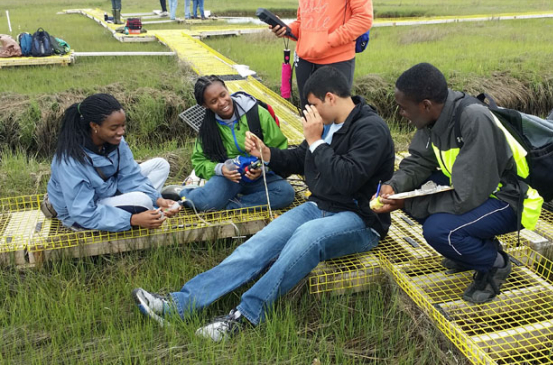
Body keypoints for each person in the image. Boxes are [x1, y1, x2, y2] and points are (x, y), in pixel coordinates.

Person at [133, 66, 395, 341]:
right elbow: (298, 160)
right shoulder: (329, 124)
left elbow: (346, 179)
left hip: (360, 219)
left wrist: (316, 141)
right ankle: (180, 304)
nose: (311, 113)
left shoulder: (370, 129)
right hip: (318, 206)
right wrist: (267, 153)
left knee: (307, 237)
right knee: (257, 246)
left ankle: (244, 315)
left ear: (330, 98)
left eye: (313, 105)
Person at [373, 63, 543, 304]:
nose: (402, 114)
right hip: (478, 190)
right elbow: (419, 162)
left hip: (509, 198)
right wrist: (396, 187)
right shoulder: (432, 121)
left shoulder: (473, 119)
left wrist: (405, 204)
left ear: (425, 105)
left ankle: (495, 264)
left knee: (439, 230)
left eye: (403, 108)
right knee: (417, 195)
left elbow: (466, 196)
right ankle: (469, 250)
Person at [46, 93, 181, 232]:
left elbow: (130, 176)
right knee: (143, 201)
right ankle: (142, 211)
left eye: (123, 125)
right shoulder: (70, 161)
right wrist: (132, 220)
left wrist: (158, 200)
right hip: (81, 214)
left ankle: (147, 209)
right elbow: (83, 212)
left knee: (160, 165)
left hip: (106, 191)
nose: (121, 132)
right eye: (114, 127)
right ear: (94, 126)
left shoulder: (115, 142)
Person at [161, 75, 295, 212]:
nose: (222, 102)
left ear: (227, 89)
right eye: (213, 101)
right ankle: (185, 193)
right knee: (205, 203)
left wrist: (263, 169)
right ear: (205, 105)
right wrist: (221, 169)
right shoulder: (208, 128)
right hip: (229, 179)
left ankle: (230, 205)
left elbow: (280, 149)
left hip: (260, 177)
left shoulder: (257, 113)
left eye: (223, 95)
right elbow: (199, 162)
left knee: (285, 193)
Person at [269, 0, 373, 111]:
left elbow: (363, 18)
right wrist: (286, 29)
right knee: (308, 116)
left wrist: (329, 41)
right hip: (304, 61)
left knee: (336, 120)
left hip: (337, 60)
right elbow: (302, 24)